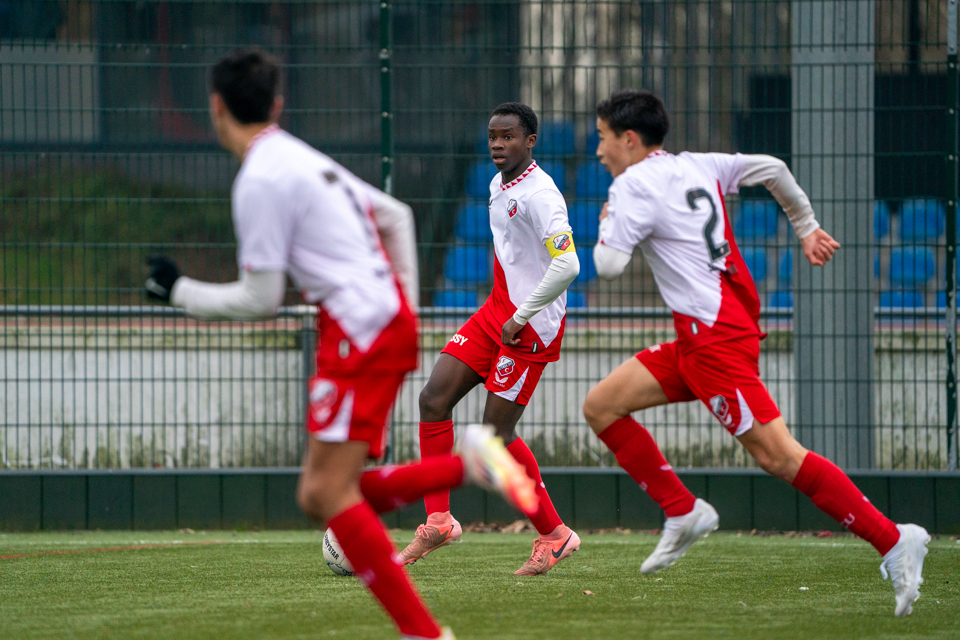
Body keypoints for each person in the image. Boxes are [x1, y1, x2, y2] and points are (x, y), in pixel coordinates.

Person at [144, 49, 540, 640]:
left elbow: (260, 298)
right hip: (378, 326)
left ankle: (429, 612)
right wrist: (402, 309)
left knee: (326, 490)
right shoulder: (298, 155)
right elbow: (397, 217)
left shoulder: (258, 178)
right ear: (277, 105)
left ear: (216, 107)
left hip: (359, 333)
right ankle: (465, 480)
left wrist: (177, 291)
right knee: (321, 491)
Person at [582, 88, 930, 617]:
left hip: (714, 339)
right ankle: (683, 511)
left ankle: (893, 539)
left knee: (778, 456)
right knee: (602, 404)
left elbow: (607, 266)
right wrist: (806, 225)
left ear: (629, 139)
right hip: (704, 333)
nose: (599, 150)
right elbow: (773, 167)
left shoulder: (631, 184)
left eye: (603, 137)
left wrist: (608, 220)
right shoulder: (699, 164)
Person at [399, 103, 581, 576]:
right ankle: (438, 521)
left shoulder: (542, 195)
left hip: (530, 325)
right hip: (497, 311)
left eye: (508, 137)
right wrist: (505, 308)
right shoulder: (498, 185)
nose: (498, 144)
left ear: (530, 141)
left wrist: (522, 314)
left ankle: (555, 535)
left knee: (493, 439)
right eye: (493, 137)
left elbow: (568, 265)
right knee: (433, 399)